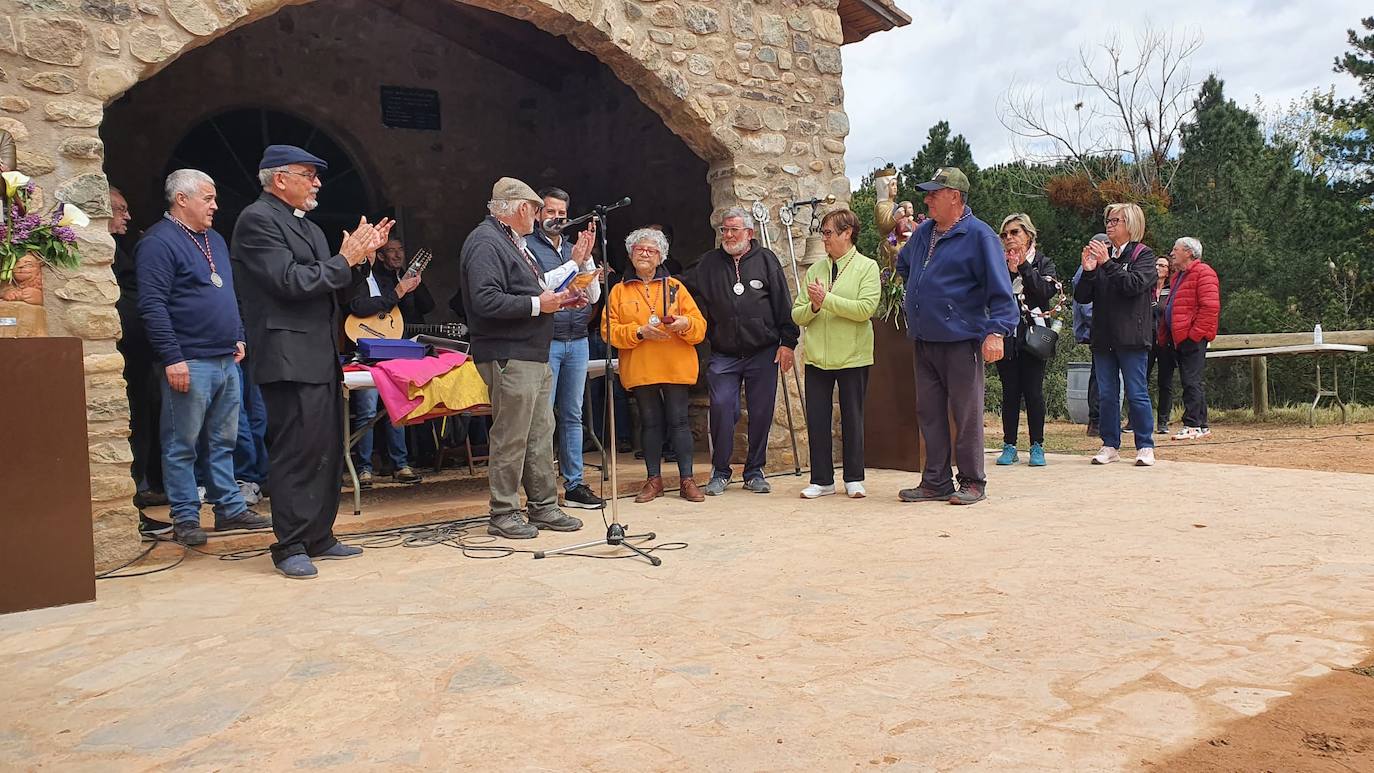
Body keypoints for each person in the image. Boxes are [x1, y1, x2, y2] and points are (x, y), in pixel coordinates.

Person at [233, 144, 392, 579]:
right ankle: (289, 544)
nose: (318, 182)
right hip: (286, 354)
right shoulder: (257, 220)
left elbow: (338, 290)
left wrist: (364, 261)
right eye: (310, 173)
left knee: (326, 445)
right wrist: (346, 259)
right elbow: (290, 282)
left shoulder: (309, 228)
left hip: (320, 352)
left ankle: (319, 534)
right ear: (280, 178)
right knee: (295, 449)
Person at [135, 169, 270, 546]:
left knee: (223, 440)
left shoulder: (214, 239)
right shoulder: (158, 242)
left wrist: (239, 335)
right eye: (207, 198)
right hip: (188, 360)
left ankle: (228, 508)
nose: (215, 205)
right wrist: (172, 357)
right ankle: (184, 517)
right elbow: (152, 306)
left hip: (226, 358)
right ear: (181, 199)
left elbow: (228, 294)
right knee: (182, 444)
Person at [459, 177, 586, 539]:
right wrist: (538, 304)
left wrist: (559, 299)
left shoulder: (511, 242)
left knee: (539, 432)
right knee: (512, 435)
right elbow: (484, 300)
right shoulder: (485, 242)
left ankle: (543, 506)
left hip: (530, 352)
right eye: (533, 208)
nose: (537, 215)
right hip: (509, 353)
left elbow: (531, 289)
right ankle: (503, 512)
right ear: (518, 209)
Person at [895, 167, 1018, 505]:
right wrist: (920, 294)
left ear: (955, 197)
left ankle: (972, 481)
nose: (927, 198)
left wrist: (997, 331)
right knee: (930, 412)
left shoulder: (981, 237)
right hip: (925, 338)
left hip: (962, 339)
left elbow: (1000, 289)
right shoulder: (923, 234)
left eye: (935, 193)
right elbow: (903, 264)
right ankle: (936, 480)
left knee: (966, 413)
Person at [687, 206, 800, 496]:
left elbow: (782, 303)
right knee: (723, 407)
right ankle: (721, 471)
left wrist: (788, 342)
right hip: (724, 353)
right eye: (724, 230)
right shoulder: (709, 263)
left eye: (733, 229)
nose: (727, 235)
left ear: (749, 233)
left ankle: (754, 471)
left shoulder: (766, 260)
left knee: (761, 411)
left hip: (763, 351)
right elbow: (683, 284)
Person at [606, 228, 708, 503]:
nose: (645, 254)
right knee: (650, 423)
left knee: (680, 421)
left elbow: (699, 327)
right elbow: (608, 331)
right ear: (630, 254)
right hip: (641, 365)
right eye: (640, 249)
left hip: (675, 364)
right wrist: (639, 332)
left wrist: (684, 324)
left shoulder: (677, 288)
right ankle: (654, 480)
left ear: (661, 256)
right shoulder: (617, 291)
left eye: (651, 250)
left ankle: (687, 480)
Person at [791, 208, 880, 499]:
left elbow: (865, 310)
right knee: (817, 419)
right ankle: (822, 480)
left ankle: (854, 478)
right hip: (818, 356)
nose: (824, 239)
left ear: (847, 233)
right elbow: (798, 314)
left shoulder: (867, 267)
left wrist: (826, 300)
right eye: (823, 233)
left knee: (852, 417)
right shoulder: (815, 270)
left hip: (853, 355)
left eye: (829, 233)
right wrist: (815, 307)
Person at [527, 187, 604, 510]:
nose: (556, 218)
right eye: (550, 212)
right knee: (543, 417)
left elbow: (596, 296)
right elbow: (541, 286)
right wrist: (573, 263)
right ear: (537, 214)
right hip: (547, 341)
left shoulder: (576, 248)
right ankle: (543, 490)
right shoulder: (526, 247)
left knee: (573, 415)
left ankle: (574, 484)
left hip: (578, 339)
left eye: (561, 213)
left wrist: (586, 262)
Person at [1074, 203, 1159, 467]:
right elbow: (1082, 296)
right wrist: (1088, 272)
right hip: (1103, 336)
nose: (1109, 226)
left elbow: (1133, 285)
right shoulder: (1102, 256)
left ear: (1130, 225)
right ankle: (1110, 444)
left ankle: (1145, 445)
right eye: (1108, 221)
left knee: (1136, 392)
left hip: (1132, 337)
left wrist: (1107, 264)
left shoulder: (1143, 255)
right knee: (1107, 394)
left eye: (1115, 221)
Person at [347, 236, 432, 486]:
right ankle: (364, 468)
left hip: (393, 348)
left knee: (397, 408)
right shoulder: (356, 278)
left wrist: (405, 288)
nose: (372, 255)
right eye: (371, 250)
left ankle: (401, 463)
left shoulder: (389, 277)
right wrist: (397, 292)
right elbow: (359, 306)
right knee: (366, 410)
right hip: (366, 353)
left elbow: (404, 309)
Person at [109, 187, 168, 524]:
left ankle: (137, 498)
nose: (127, 216)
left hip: (140, 354)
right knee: (131, 424)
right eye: (121, 208)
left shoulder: (122, 250)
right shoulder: (102, 253)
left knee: (143, 422)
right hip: (123, 355)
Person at [994, 213, 1061, 468]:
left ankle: (1037, 445)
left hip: (1035, 337)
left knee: (1033, 392)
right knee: (1010, 392)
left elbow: (1044, 292)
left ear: (1029, 235)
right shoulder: (998, 264)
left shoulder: (1044, 263)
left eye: (1015, 233)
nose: (1009, 238)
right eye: (1005, 234)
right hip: (1007, 335)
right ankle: (1009, 444)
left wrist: (1023, 266)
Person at [1159, 237, 1219, 440]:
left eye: (1176, 249)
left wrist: (1194, 334)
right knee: (1191, 380)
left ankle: (1192, 424)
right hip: (1179, 337)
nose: (1172, 253)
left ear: (1189, 252)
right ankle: (1201, 425)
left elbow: (1210, 307)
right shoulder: (1178, 276)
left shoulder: (1204, 273)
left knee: (1191, 381)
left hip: (1192, 338)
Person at [1144, 255, 1174, 435]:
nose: (1158, 268)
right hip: (1146, 340)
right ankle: (1135, 420)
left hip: (1165, 341)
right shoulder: (1146, 288)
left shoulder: (1171, 289)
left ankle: (1163, 421)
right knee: (1141, 381)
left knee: (1165, 382)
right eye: (1156, 264)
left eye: (1163, 265)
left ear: (1169, 270)